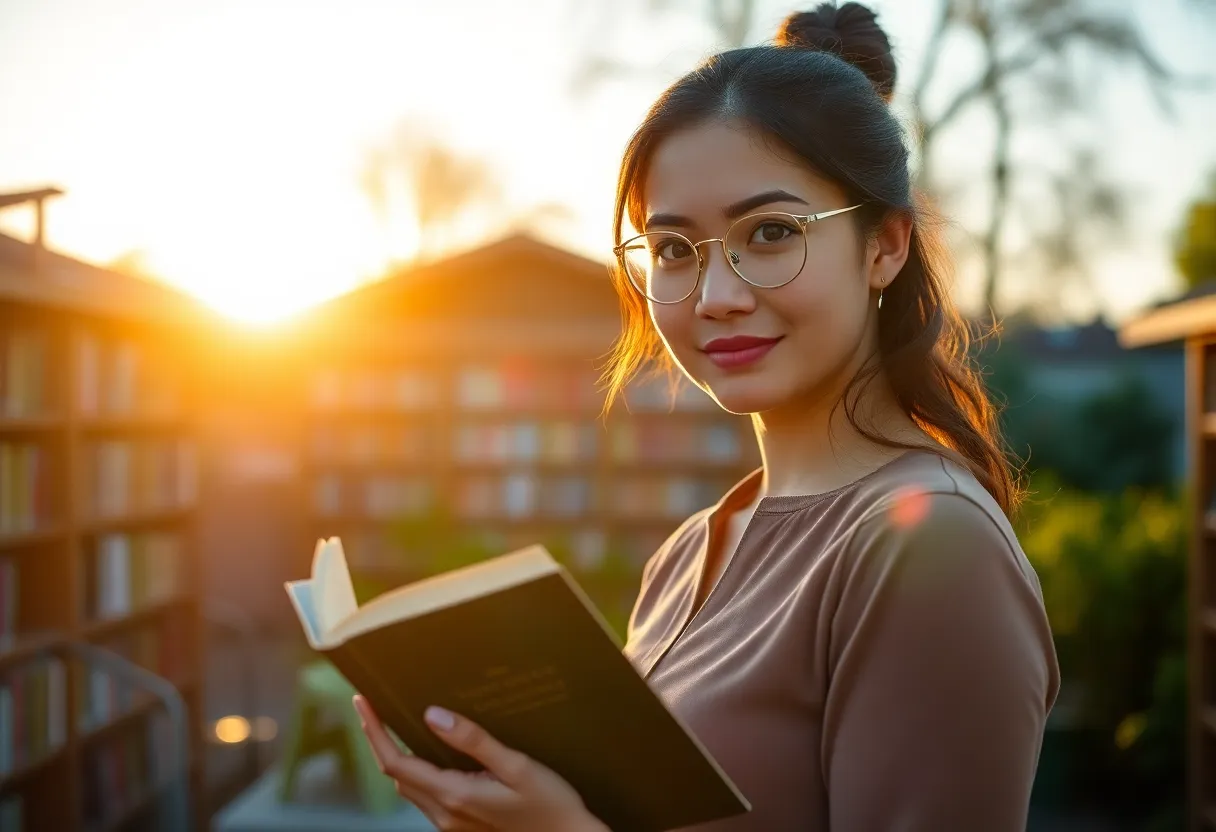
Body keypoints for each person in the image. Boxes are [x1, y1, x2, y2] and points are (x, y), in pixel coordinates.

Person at [352, 2, 1061, 830]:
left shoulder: (931, 544)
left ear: (885, 246)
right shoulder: (691, 551)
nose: (716, 297)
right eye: (675, 249)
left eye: (770, 233)